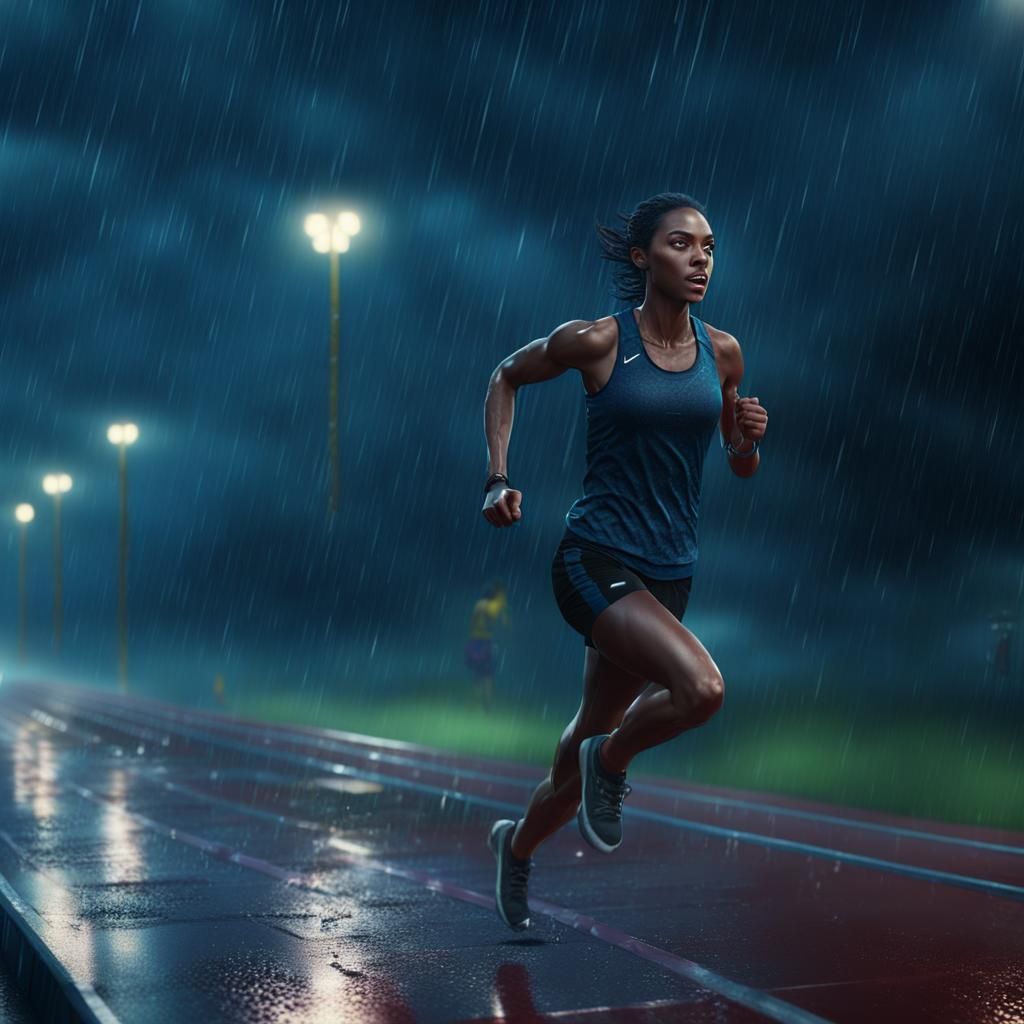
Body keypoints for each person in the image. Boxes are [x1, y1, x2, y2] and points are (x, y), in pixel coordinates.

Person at [480, 192, 768, 930]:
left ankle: (518, 845)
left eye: (708, 246)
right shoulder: (599, 341)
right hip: (594, 558)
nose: (700, 259)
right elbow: (506, 375)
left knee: (573, 751)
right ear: (642, 256)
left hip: (670, 573)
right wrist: (498, 478)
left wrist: (747, 439)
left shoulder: (724, 352)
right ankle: (612, 763)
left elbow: (739, 464)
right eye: (680, 244)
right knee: (701, 690)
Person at [464, 581, 508, 711]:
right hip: (486, 642)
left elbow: (472, 623)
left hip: (475, 641)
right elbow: (500, 623)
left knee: (478, 674)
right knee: (488, 675)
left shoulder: (479, 605)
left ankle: (475, 703)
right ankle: (487, 705)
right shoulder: (494, 606)